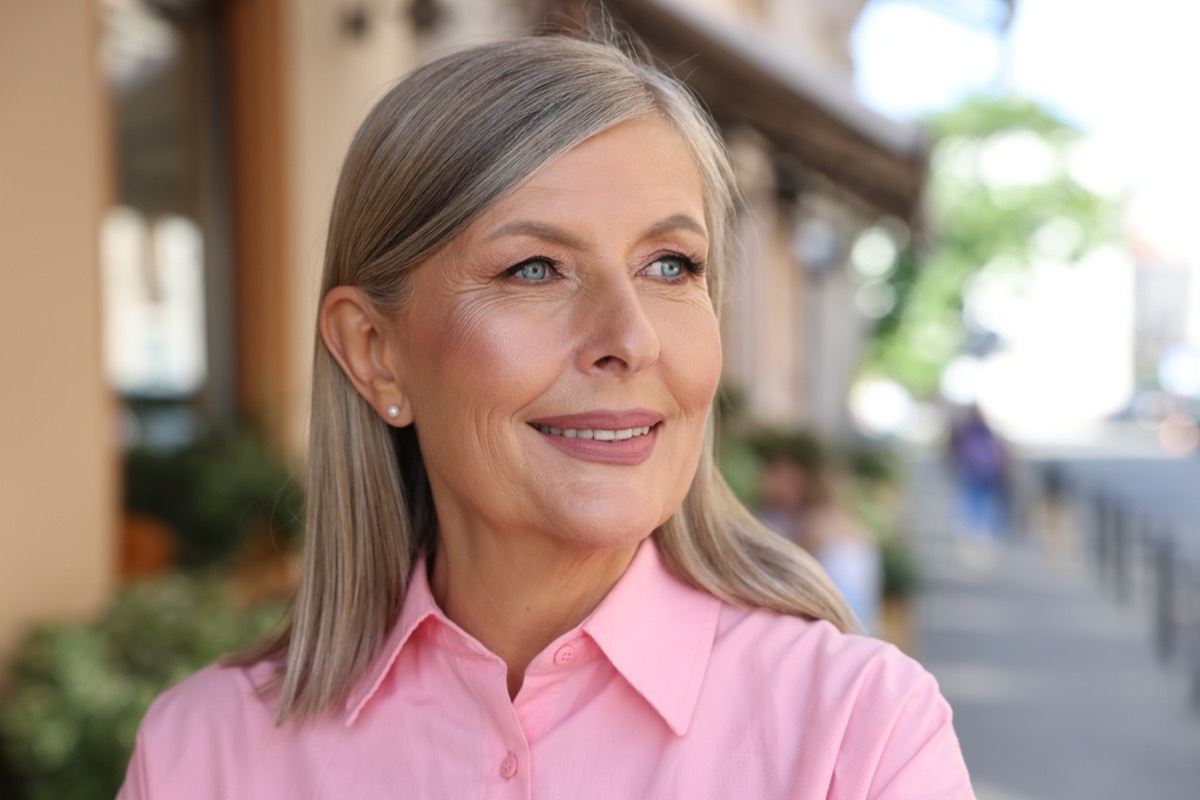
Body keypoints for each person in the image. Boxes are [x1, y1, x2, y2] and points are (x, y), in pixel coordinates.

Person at [118, 35, 973, 798]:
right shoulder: (202, 757)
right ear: (376, 351)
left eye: (671, 265)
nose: (629, 338)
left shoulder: (858, 736)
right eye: (534, 269)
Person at [754, 433, 882, 634]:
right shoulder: (835, 518)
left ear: (806, 479)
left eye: (784, 475)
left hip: (836, 626)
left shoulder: (819, 523)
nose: (773, 482)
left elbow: (776, 573)